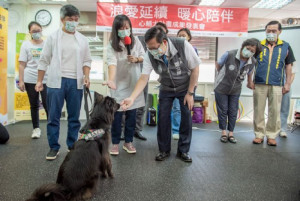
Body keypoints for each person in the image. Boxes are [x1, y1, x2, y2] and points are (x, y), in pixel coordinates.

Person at [121, 27, 201, 162]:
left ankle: (183, 151)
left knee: (186, 117)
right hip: (166, 87)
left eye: (154, 48)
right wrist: (132, 97)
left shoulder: (182, 45)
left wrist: (190, 93)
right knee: (163, 117)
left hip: (185, 87)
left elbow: (195, 69)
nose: (152, 51)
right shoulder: (149, 54)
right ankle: (164, 150)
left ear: (164, 42)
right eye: (149, 48)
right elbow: (143, 78)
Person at [35, 4, 92, 160]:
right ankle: (54, 147)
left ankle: (72, 145)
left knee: (74, 117)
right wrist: (39, 81)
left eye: (76, 19)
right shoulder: (53, 37)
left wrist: (86, 76)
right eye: (70, 19)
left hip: (76, 82)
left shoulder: (82, 39)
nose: (73, 22)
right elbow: (44, 60)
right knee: (53, 117)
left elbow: (87, 61)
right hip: (55, 82)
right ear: (62, 20)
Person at [103, 15, 145, 155]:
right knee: (117, 116)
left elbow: (143, 56)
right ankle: (115, 143)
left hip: (133, 83)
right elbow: (112, 63)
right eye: (121, 28)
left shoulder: (136, 40)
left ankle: (128, 142)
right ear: (116, 30)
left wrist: (136, 59)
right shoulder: (111, 45)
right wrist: (111, 80)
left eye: (127, 28)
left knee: (132, 115)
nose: (125, 31)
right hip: (118, 84)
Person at [251, 21, 295, 146]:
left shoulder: (285, 46)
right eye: (268, 30)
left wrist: (287, 84)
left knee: (274, 111)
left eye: (274, 31)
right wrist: (250, 80)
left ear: (280, 32)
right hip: (259, 82)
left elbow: (288, 67)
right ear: (265, 31)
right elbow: (251, 64)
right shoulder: (258, 45)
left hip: (277, 83)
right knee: (258, 110)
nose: (271, 33)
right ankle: (259, 134)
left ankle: (271, 135)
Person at [215, 38, 261, 143]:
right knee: (223, 109)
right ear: (243, 46)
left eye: (252, 51)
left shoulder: (252, 61)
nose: (249, 51)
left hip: (236, 89)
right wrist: (221, 76)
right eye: (248, 48)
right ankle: (223, 132)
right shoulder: (230, 54)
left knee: (233, 110)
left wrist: (250, 83)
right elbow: (218, 64)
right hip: (221, 87)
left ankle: (231, 133)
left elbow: (250, 73)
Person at [18, 21, 48, 139]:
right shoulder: (26, 45)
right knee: (34, 105)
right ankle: (36, 129)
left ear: (41, 30)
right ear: (29, 32)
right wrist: (21, 81)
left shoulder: (46, 44)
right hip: (30, 78)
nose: (36, 33)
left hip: (46, 79)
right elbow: (21, 64)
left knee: (47, 104)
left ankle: (51, 127)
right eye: (34, 31)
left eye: (38, 30)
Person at [171, 28, 199, 140]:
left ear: (189, 37)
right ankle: (176, 130)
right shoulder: (173, 50)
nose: (181, 37)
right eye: (179, 35)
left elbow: (195, 69)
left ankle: (185, 132)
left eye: (184, 35)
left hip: (190, 84)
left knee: (186, 109)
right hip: (177, 83)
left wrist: (194, 85)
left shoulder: (193, 49)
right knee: (176, 108)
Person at [280, 63, 297, 137]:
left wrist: (287, 85)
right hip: (274, 84)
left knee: (285, 108)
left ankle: (282, 129)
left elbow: (292, 74)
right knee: (273, 108)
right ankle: (271, 129)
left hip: (287, 85)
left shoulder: (291, 60)